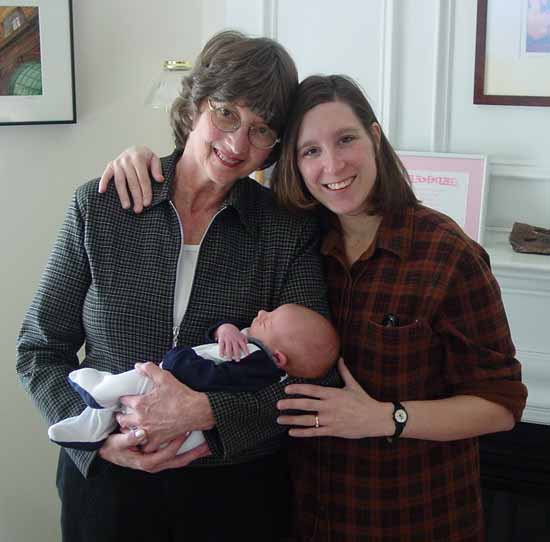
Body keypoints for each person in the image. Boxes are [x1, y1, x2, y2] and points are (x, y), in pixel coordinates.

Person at [105, 75, 528, 541]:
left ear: (374, 137)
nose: (332, 163)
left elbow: (500, 405)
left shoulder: (446, 254)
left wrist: (386, 417)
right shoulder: (293, 240)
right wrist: (144, 158)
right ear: (294, 163)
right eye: (310, 151)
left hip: (412, 516)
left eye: (345, 139)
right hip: (301, 514)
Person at [16, 30, 336, 542]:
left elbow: (315, 381)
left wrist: (209, 413)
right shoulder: (101, 206)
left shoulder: (287, 231)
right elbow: (39, 349)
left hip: (235, 494)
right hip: (108, 491)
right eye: (226, 112)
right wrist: (95, 443)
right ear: (194, 104)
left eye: (260, 130)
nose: (236, 144)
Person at [48, 304, 339, 453]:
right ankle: (90, 430)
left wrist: (178, 361)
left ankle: (101, 388)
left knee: (139, 379)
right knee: (120, 406)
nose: (262, 311)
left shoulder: (257, 362)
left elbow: (215, 375)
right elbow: (40, 347)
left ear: (278, 358)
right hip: (108, 481)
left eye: (268, 319)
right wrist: (223, 328)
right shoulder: (256, 351)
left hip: (178, 396)